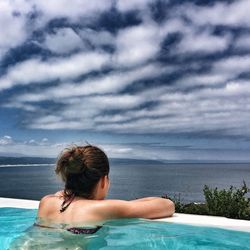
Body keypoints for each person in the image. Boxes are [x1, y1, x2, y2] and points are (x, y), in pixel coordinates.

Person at [36, 144, 175, 235]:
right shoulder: (103, 209)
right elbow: (168, 205)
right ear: (103, 180)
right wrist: (127, 206)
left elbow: (61, 195)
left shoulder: (46, 201)